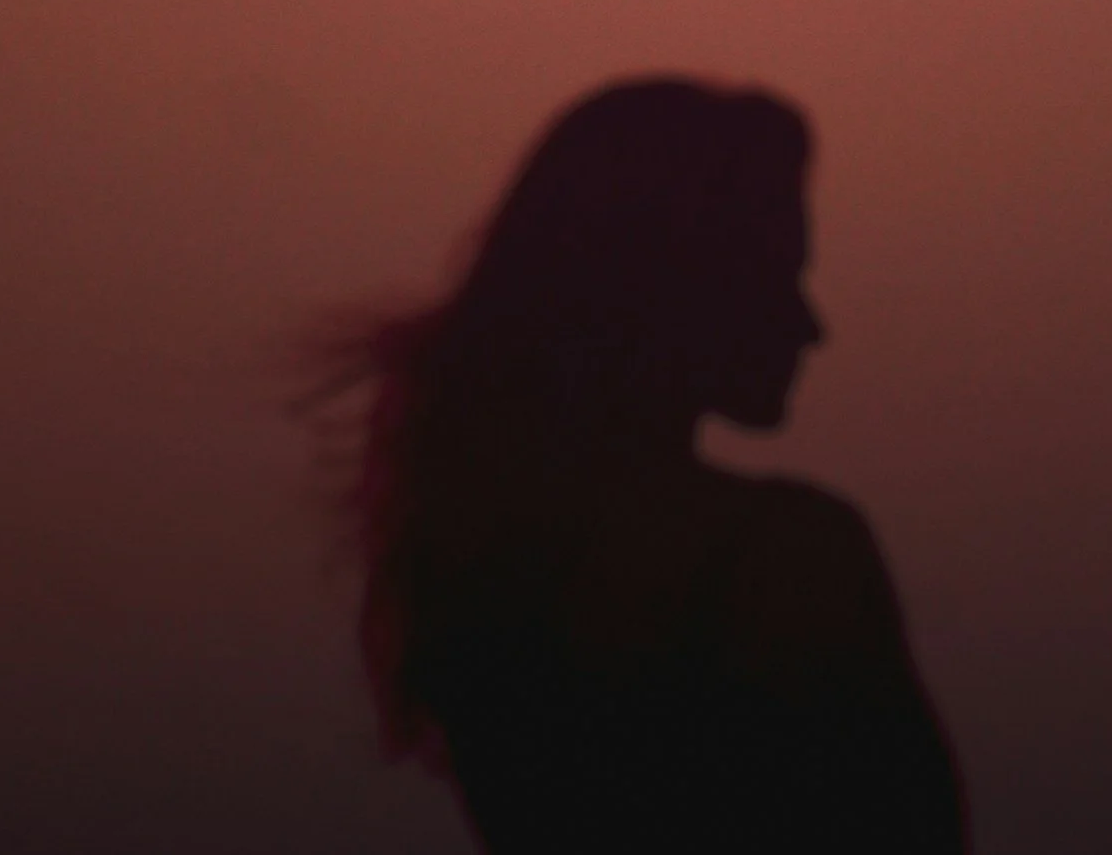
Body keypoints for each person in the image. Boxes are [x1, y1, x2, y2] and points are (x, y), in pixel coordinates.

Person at [300, 76, 968, 852]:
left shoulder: (481, 581)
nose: (810, 326)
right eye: (779, 275)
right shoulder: (788, 558)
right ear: (680, 282)